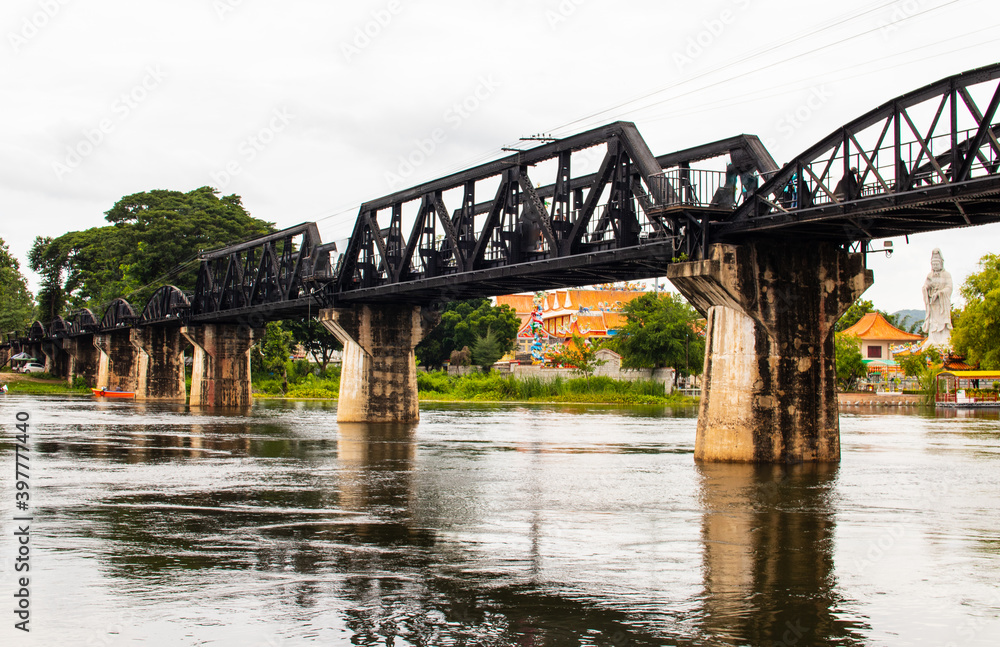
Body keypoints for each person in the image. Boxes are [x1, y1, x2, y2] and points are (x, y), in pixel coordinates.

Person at [922, 248, 953, 348]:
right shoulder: (930, 275)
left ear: (941, 263)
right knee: (933, 322)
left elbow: (949, 287)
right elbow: (926, 285)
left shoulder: (946, 275)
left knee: (942, 320)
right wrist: (926, 288)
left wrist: (940, 293)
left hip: (942, 303)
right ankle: (933, 338)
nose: (935, 266)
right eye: (933, 264)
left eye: (937, 264)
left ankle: (944, 337)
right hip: (933, 303)